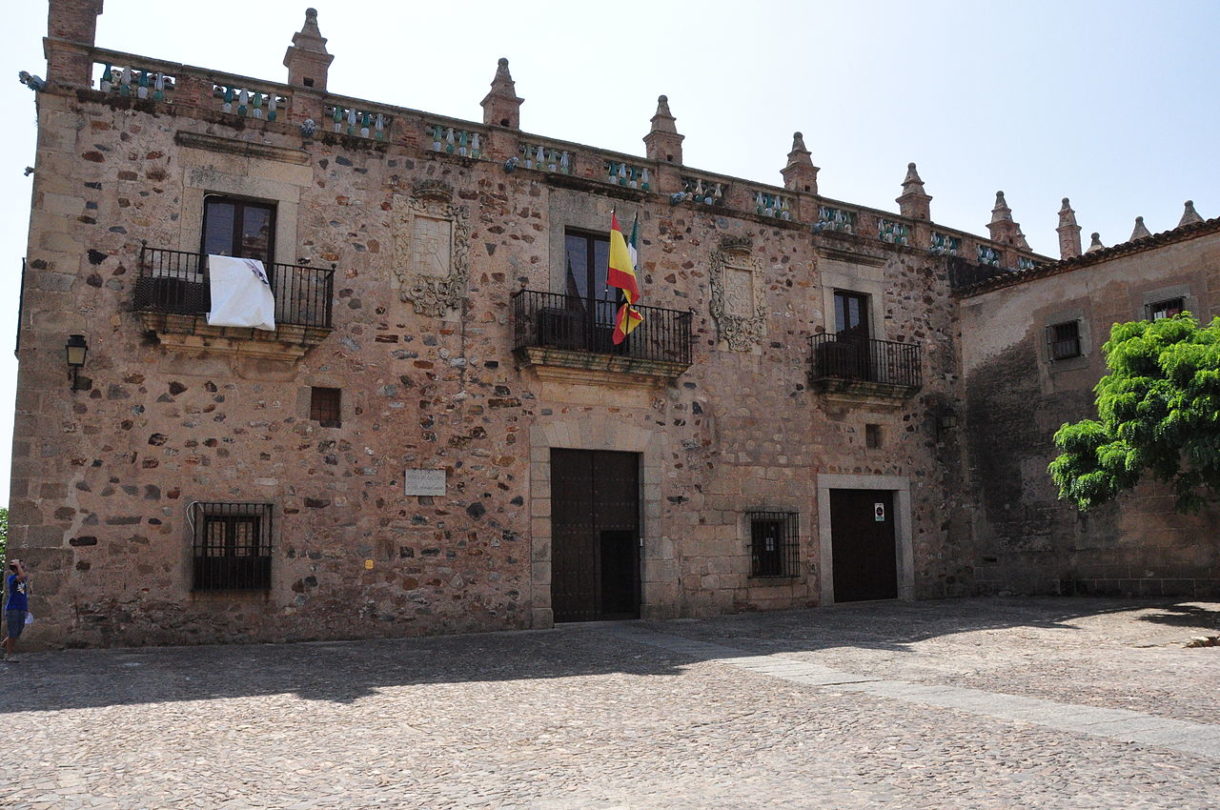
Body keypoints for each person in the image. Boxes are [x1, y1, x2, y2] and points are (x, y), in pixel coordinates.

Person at [3, 559, 29, 662]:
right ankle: (9, 655)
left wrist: (26, 608)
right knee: (13, 632)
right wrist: (18, 565)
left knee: (17, 631)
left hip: (21, 609)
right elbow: (22, 576)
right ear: (16, 569)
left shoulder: (22, 581)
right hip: (13, 609)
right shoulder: (12, 578)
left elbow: (22, 594)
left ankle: (2, 646)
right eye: (21, 567)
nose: (23, 568)